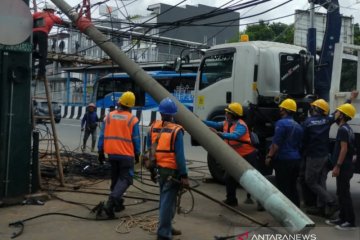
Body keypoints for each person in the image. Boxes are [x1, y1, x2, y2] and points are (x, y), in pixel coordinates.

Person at [146, 97, 189, 240]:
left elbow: (150, 152)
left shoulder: (153, 127)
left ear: (161, 113)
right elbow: (180, 156)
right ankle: (163, 234)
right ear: (173, 114)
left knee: (167, 201)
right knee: (166, 202)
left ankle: (168, 227)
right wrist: (184, 175)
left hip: (159, 170)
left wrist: (152, 171)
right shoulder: (177, 131)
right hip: (172, 172)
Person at [203, 102, 258, 207]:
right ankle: (231, 200)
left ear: (234, 114)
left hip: (248, 155)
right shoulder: (227, 122)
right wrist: (201, 121)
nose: (226, 114)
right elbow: (215, 124)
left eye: (228, 113)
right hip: (236, 156)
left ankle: (261, 203)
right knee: (229, 178)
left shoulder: (241, 125)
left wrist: (220, 134)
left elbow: (235, 136)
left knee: (253, 181)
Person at [98, 91, 141, 218]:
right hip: (126, 154)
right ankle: (111, 202)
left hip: (111, 153)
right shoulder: (132, 119)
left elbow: (102, 135)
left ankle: (117, 204)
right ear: (131, 106)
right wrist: (137, 153)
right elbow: (136, 139)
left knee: (116, 179)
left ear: (119, 102)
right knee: (126, 179)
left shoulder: (109, 116)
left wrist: (100, 151)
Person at [265, 98, 303, 207]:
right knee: (292, 187)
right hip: (296, 160)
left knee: (283, 187)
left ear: (284, 109)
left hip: (284, 160)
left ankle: (285, 211)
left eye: (281, 107)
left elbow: (275, 144)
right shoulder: (298, 125)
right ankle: (297, 210)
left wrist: (269, 156)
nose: (279, 109)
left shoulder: (281, 123)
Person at [325, 103, 357, 230]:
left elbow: (344, 149)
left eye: (338, 112)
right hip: (347, 166)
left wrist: (337, 166)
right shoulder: (348, 129)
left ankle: (350, 222)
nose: (336, 114)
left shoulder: (343, 130)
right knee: (341, 193)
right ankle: (342, 218)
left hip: (344, 167)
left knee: (344, 194)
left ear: (342, 116)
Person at [32, 3, 64, 80]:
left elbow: (29, 18)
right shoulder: (52, 16)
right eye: (53, 11)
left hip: (32, 34)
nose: (54, 12)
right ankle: (41, 74)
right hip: (42, 34)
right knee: (43, 54)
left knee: (31, 52)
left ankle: (31, 72)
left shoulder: (37, 14)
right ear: (51, 10)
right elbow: (61, 22)